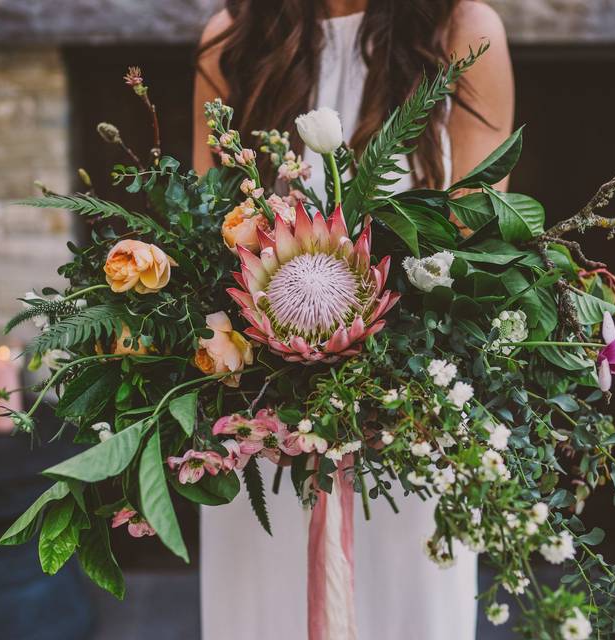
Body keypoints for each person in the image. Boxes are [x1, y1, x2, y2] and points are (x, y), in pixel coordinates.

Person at [192, 1, 513, 637]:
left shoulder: (464, 33)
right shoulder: (232, 38)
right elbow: (202, 238)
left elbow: (485, 253)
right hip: (263, 425)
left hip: (406, 422)